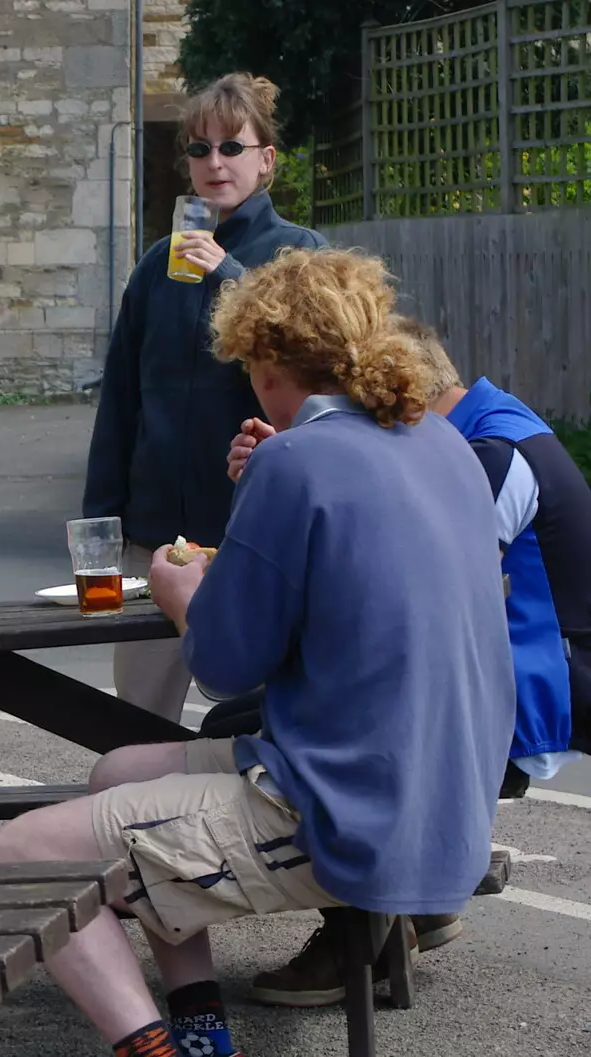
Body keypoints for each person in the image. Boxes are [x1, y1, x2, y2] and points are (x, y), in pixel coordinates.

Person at [0, 247, 514, 1057]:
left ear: (266, 357)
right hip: (446, 804)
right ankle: (202, 1033)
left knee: (21, 849)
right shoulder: (436, 443)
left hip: (347, 816)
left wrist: (179, 595)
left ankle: (152, 1049)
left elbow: (227, 666)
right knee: (119, 771)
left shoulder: (294, 460)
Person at [221, 315, 591, 1006]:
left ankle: (358, 934)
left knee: (288, 724)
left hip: (537, 689)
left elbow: (402, 585)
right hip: (509, 671)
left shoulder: (488, 451)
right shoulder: (487, 427)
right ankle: (414, 908)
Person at [83, 73, 327, 725]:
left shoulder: (300, 255)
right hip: (155, 538)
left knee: (267, 721)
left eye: (231, 147)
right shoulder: (156, 265)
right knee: (134, 722)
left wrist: (230, 276)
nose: (214, 163)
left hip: (256, 533)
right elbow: (121, 404)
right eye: (198, 149)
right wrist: (101, 524)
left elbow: (319, 371)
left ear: (266, 159)